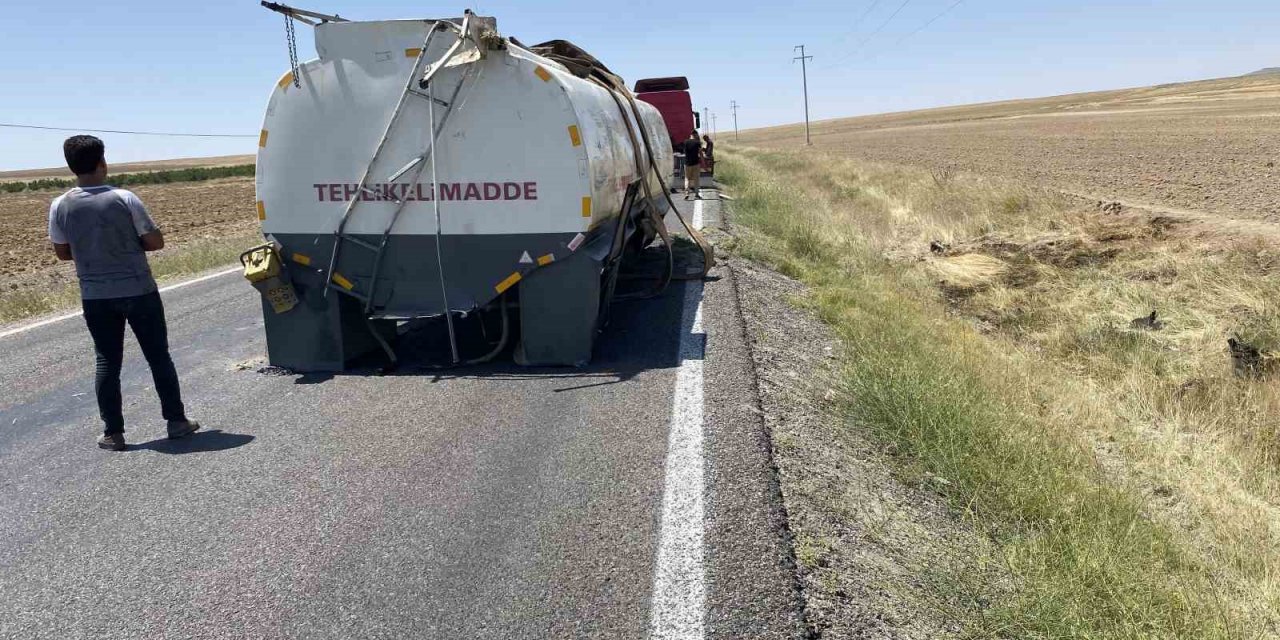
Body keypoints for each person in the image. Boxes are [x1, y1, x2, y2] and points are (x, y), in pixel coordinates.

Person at [49, 135, 200, 451]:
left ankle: (113, 433)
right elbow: (155, 242)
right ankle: (176, 421)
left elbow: (62, 252)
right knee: (158, 356)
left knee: (106, 361)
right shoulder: (125, 198)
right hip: (138, 290)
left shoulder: (60, 205)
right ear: (103, 162)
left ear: (70, 166)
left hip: (94, 295)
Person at [680, 130, 702, 200]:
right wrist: (703, 162)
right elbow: (700, 153)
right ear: (695, 135)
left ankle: (687, 194)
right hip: (696, 163)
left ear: (691, 135)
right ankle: (696, 194)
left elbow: (684, 152)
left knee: (687, 178)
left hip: (687, 163)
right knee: (696, 179)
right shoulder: (697, 142)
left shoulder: (685, 142)